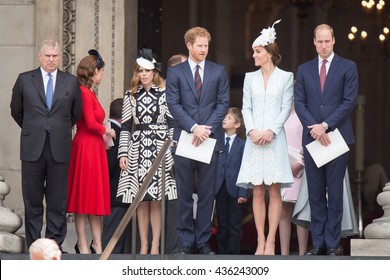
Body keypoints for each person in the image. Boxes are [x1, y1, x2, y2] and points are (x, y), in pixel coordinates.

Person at [10, 39, 82, 250]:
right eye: (48, 55)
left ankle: (53, 247)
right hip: (33, 148)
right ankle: (35, 247)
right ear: (40, 56)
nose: (51, 59)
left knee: (57, 202)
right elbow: (16, 110)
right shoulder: (25, 80)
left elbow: (75, 113)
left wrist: (59, 128)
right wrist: (34, 128)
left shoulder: (70, 81)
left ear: (59, 57)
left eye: (55, 55)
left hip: (59, 147)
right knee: (32, 201)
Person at [294, 23, 358, 256]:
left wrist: (325, 126)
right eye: (319, 41)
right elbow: (299, 102)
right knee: (316, 193)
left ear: (334, 41)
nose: (323, 45)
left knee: (335, 194)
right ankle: (318, 243)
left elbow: (348, 101)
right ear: (314, 42)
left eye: (327, 41)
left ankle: (332, 244)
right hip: (312, 139)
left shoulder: (348, 67)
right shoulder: (304, 69)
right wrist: (314, 128)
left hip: (336, 138)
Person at [166, 27, 230, 255]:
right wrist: (194, 128)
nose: (204, 50)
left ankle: (202, 243)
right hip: (185, 138)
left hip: (209, 140)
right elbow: (174, 104)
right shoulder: (175, 73)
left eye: (206, 46)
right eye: (200, 45)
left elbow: (223, 103)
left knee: (206, 195)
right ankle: (185, 243)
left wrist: (205, 129)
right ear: (189, 45)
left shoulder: (218, 71)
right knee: (184, 194)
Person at [236, 19, 294, 256]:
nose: (253, 55)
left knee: (274, 190)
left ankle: (271, 241)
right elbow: (245, 107)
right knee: (257, 191)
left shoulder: (286, 77)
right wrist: (251, 131)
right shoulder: (249, 78)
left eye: (257, 51)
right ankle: (260, 240)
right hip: (254, 138)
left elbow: (285, 107)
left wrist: (271, 131)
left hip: (274, 138)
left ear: (269, 54)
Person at [116, 48, 177, 255]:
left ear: (154, 73)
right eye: (140, 70)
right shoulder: (130, 95)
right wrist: (122, 153)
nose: (143, 74)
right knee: (140, 200)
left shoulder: (165, 93)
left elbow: (172, 124)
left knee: (157, 200)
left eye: (147, 70)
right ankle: (143, 245)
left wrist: (171, 152)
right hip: (138, 149)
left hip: (160, 148)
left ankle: (155, 246)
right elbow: (125, 126)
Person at [67, 49, 115, 254]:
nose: (102, 74)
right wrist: (108, 130)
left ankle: (97, 243)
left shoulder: (90, 92)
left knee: (94, 197)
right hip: (86, 146)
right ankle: (83, 244)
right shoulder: (85, 93)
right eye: (101, 70)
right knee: (83, 198)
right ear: (94, 71)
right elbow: (90, 122)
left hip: (94, 147)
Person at [163, 53, 188, 254]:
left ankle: (181, 245)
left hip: (185, 150)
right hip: (163, 153)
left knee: (182, 199)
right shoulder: (161, 93)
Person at [215, 107, 248, 255]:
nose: (224, 119)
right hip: (219, 188)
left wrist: (243, 192)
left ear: (237, 125)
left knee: (234, 224)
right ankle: (221, 254)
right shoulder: (217, 142)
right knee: (221, 223)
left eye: (228, 118)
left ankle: (233, 255)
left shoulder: (243, 144)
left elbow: (245, 168)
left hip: (235, 189)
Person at [278, 106, 309, 255]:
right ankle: (284, 253)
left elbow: (308, 141)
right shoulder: (279, 115)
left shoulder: (303, 115)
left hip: (300, 167)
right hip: (283, 166)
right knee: (283, 211)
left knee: (300, 211)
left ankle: (302, 253)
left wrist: (300, 164)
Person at [102, 98, 128, 254]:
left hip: (109, 192)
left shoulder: (106, 128)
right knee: (113, 241)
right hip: (116, 192)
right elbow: (111, 164)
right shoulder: (117, 133)